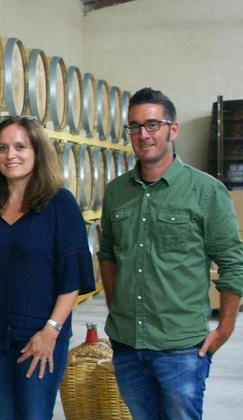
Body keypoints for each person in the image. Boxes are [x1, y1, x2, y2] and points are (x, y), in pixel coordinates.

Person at [99, 87, 243, 420]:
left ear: (172, 129)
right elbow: (107, 254)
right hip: (127, 344)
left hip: (181, 347)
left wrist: (225, 328)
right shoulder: (116, 192)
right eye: (134, 126)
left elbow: (233, 263)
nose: (143, 134)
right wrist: (115, 303)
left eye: (152, 124)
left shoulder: (206, 191)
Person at [0, 116, 95, 419]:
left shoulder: (60, 204)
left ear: (37, 152)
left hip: (39, 334)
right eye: (3, 148)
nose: (11, 155)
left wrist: (51, 331)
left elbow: (71, 278)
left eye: (20, 146)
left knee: (34, 415)